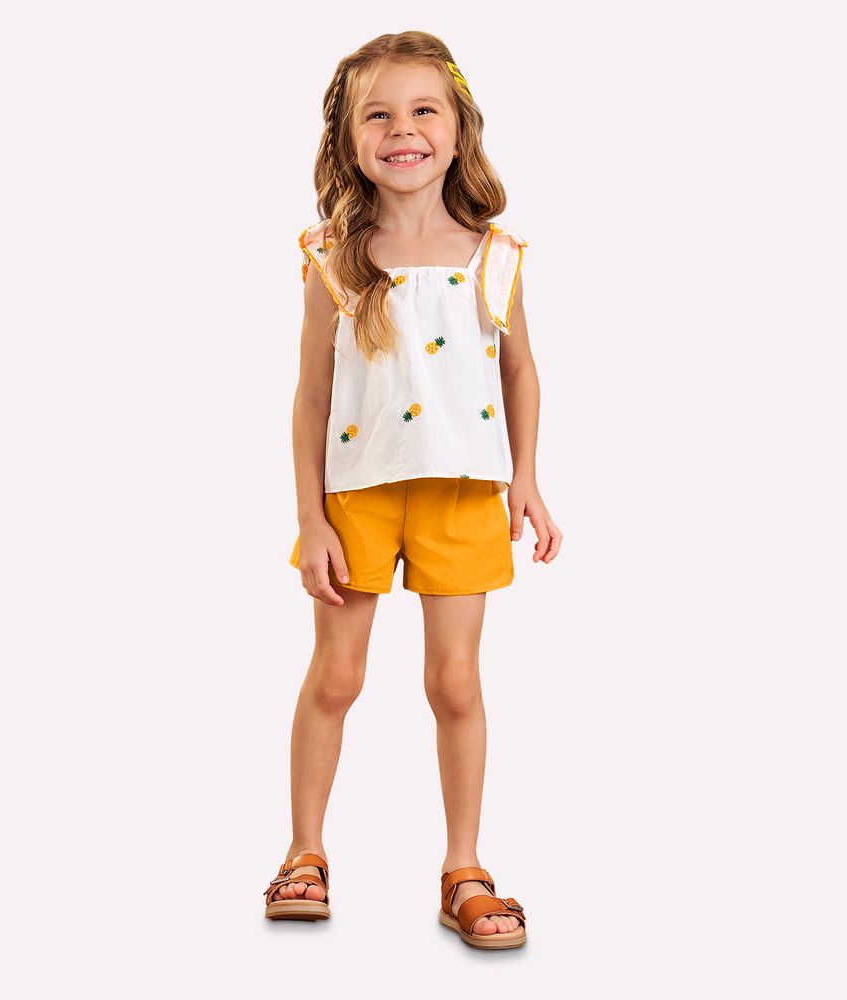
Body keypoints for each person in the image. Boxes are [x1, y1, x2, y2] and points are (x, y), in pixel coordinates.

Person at [263, 31, 562, 950]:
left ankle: (463, 868)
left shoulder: (495, 255)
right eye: (378, 115)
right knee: (337, 675)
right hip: (357, 495)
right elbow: (312, 395)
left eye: (423, 109)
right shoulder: (332, 255)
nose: (402, 130)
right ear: (347, 138)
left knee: (456, 683)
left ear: (458, 127)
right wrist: (311, 516)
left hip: (463, 494)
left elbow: (520, 370)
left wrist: (527, 479)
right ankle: (304, 851)